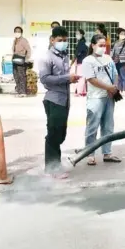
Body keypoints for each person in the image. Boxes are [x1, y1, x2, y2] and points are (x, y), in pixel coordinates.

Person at [39, 26, 80, 179]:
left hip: (65, 100)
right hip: (53, 99)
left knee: (60, 134)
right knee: (53, 134)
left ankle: (55, 164)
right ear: (52, 40)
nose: (63, 43)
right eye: (59, 40)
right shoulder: (46, 57)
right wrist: (66, 78)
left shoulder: (64, 56)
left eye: (65, 40)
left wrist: (71, 79)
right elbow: (44, 79)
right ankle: (52, 167)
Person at [82, 34, 122, 166]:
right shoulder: (88, 60)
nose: (103, 48)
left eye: (104, 45)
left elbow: (115, 74)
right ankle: (90, 154)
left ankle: (107, 152)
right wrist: (109, 88)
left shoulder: (108, 58)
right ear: (93, 45)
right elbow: (91, 79)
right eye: (100, 45)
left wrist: (114, 88)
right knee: (92, 127)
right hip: (96, 98)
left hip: (109, 97)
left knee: (108, 126)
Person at [12, 26, 32, 98]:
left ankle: (23, 92)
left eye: (19, 31)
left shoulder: (24, 40)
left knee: (21, 76)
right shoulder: (15, 40)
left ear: (21, 33)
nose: (17, 33)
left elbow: (29, 50)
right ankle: (19, 91)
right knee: (16, 75)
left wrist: (26, 59)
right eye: (16, 31)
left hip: (21, 60)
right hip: (15, 59)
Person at [111, 27, 125, 95]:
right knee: (118, 77)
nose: (123, 35)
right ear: (118, 34)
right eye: (121, 34)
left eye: (124, 34)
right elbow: (113, 52)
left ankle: (124, 90)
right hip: (116, 61)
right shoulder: (115, 42)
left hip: (123, 61)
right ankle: (119, 90)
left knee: (124, 76)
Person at [70, 29, 88, 97]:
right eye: (76, 33)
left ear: (82, 34)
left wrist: (71, 63)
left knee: (81, 77)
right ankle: (83, 92)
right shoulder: (82, 42)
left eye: (78, 33)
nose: (76, 35)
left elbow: (76, 54)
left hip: (81, 63)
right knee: (82, 77)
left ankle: (79, 91)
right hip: (82, 62)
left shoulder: (81, 43)